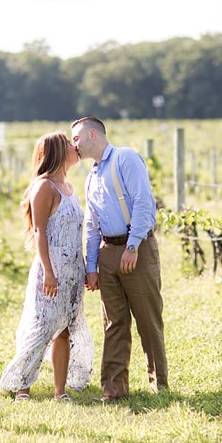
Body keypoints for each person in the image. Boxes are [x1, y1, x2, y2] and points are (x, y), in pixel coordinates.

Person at [70, 116, 168, 401]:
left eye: (75, 138)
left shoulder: (125, 158)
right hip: (107, 253)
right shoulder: (91, 176)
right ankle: (113, 390)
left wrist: (134, 245)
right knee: (113, 323)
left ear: (91, 135)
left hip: (135, 248)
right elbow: (91, 225)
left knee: (148, 320)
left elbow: (143, 202)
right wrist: (91, 267)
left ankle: (158, 385)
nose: (73, 144)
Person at [0, 131, 93, 401]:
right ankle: (22, 386)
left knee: (64, 329)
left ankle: (59, 391)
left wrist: (85, 267)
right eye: (69, 144)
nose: (76, 147)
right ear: (57, 153)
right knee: (40, 326)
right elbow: (40, 232)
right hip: (50, 271)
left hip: (72, 272)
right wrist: (49, 272)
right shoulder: (43, 187)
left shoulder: (70, 189)